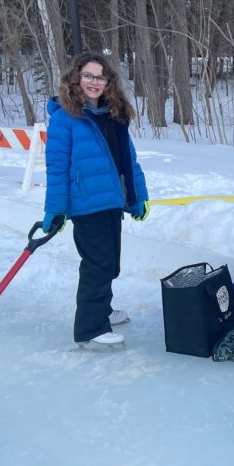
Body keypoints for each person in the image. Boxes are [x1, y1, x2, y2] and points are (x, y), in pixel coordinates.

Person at [42, 52, 149, 351]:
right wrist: (56, 208)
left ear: (108, 82)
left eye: (100, 77)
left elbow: (128, 160)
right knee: (97, 265)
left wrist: (138, 197)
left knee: (110, 264)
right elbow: (57, 166)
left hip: (112, 201)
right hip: (87, 204)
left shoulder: (114, 115)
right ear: (76, 78)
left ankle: (102, 310)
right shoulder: (65, 117)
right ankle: (90, 330)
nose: (94, 82)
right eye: (88, 75)